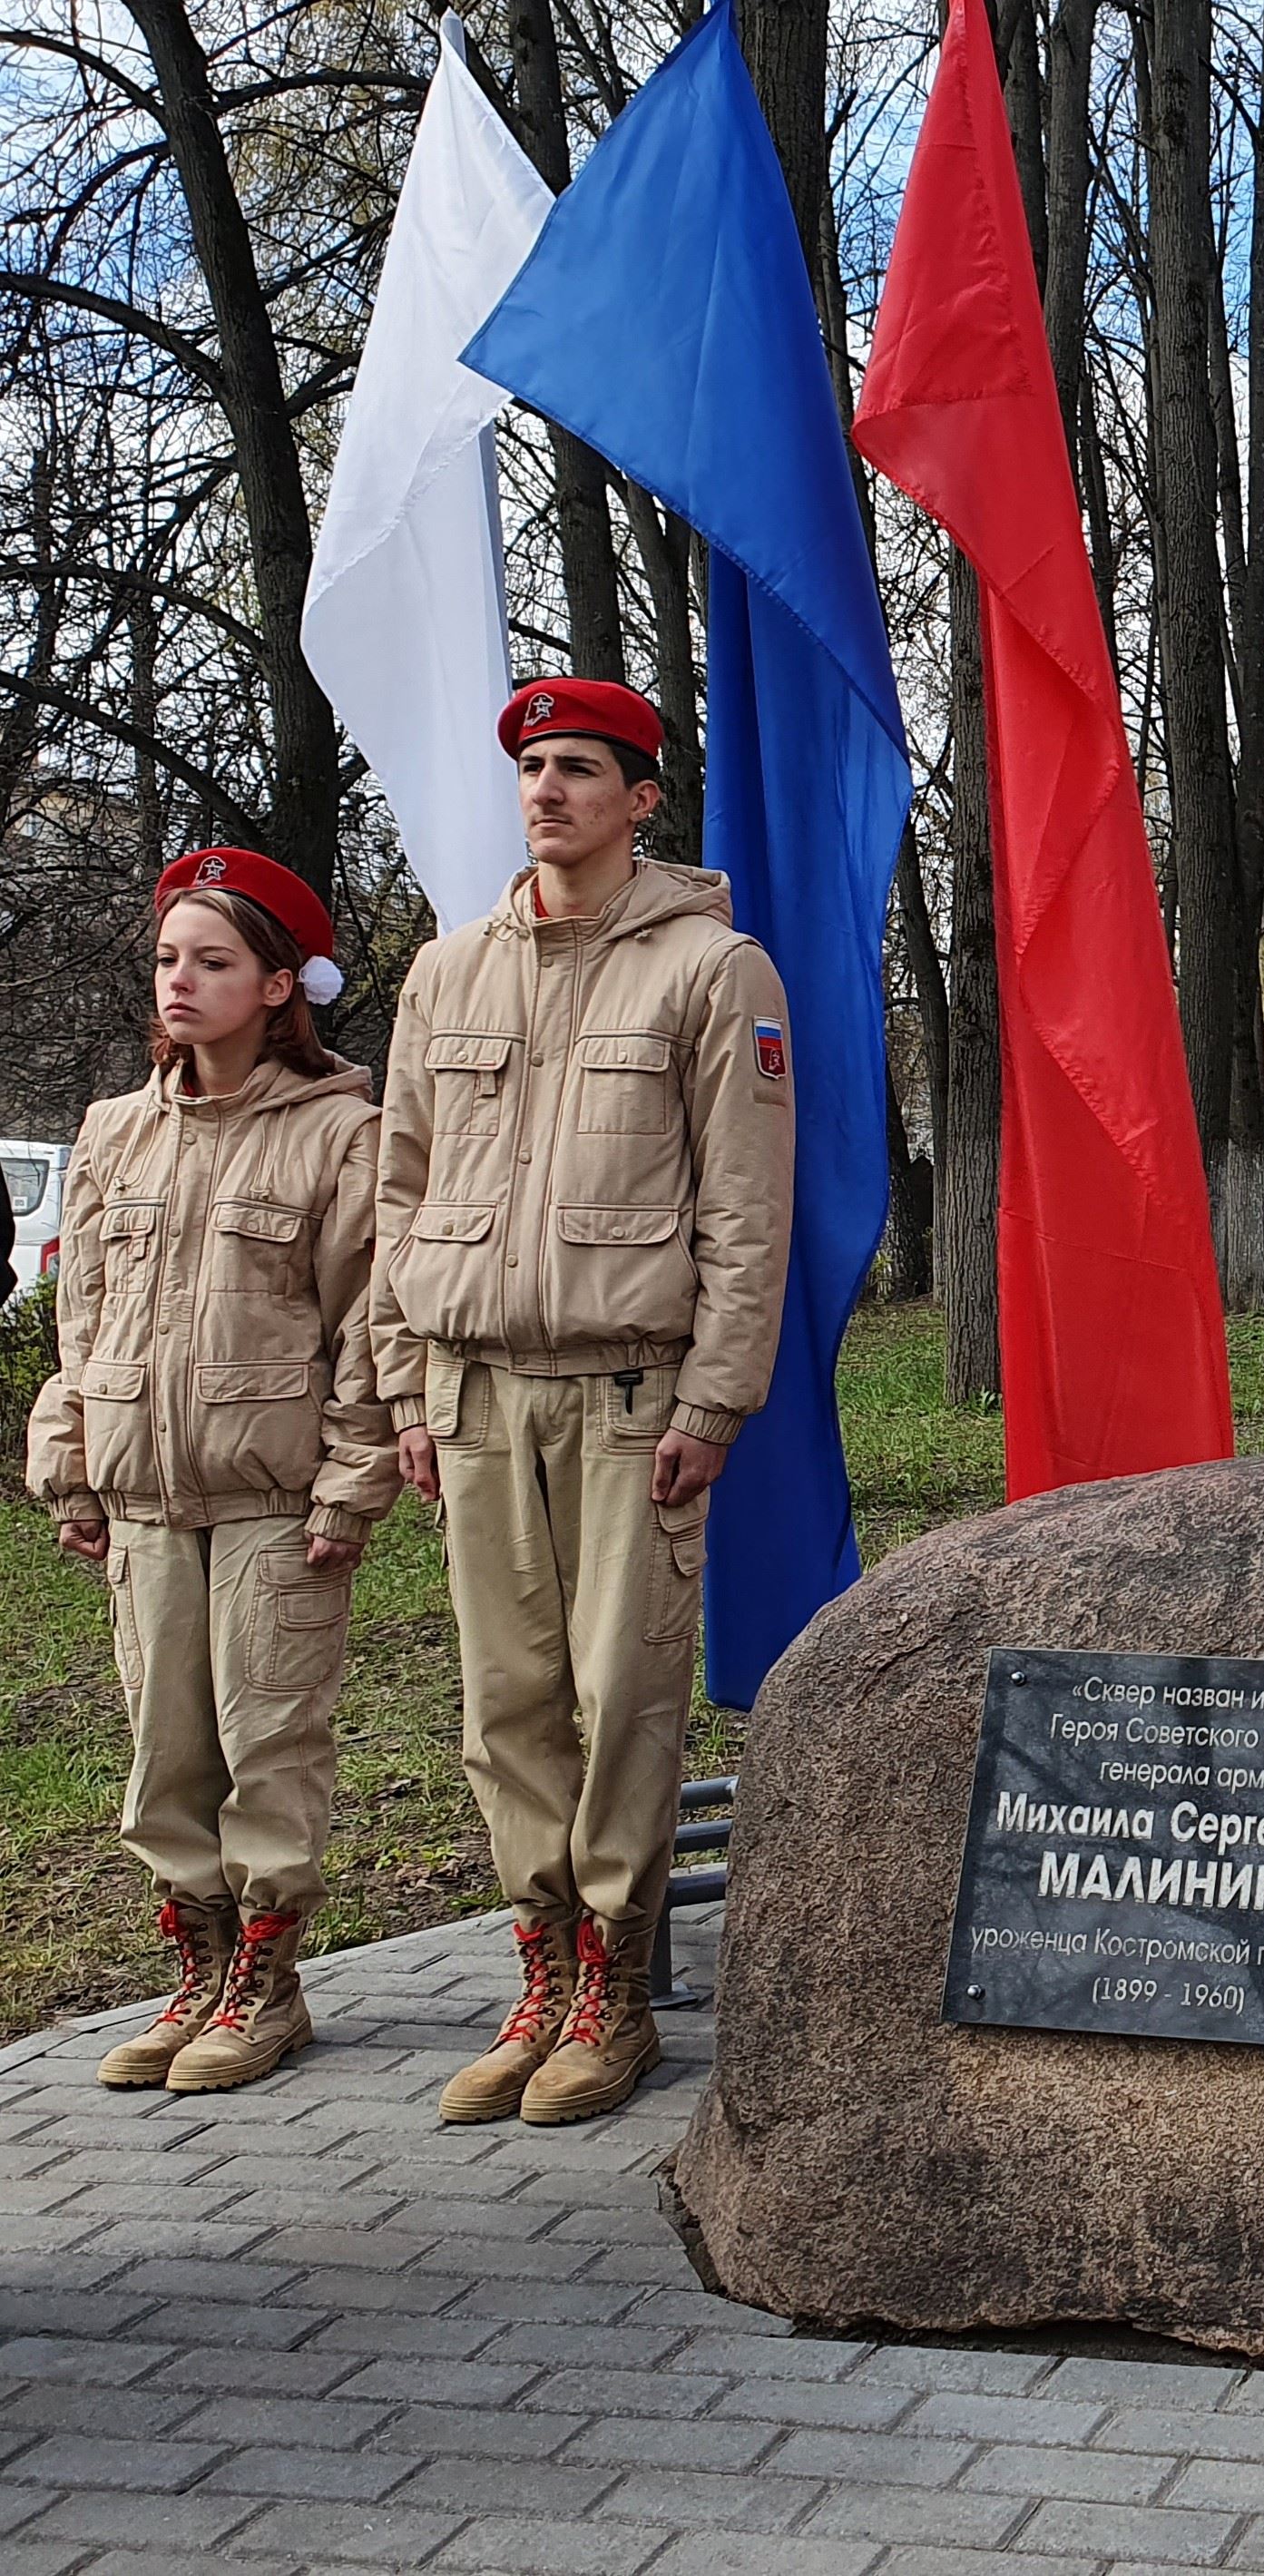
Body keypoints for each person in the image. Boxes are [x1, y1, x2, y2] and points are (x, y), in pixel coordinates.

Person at [375, 677, 793, 2127]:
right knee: (510, 1705)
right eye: (532, 767)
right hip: (477, 1390)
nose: (545, 791)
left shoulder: (712, 970)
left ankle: (615, 1988)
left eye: (576, 769)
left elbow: (748, 1212)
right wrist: (406, 1388)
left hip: (630, 1399)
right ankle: (539, 1968)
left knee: (623, 1698)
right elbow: (403, 1195)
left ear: (640, 799)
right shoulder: (449, 974)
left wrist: (715, 1402)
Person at [26, 848, 397, 2093]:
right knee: (164, 1755)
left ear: (280, 985)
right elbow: (79, 1322)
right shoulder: (113, 1132)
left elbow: (366, 1329)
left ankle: (269, 1983)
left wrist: (351, 1487)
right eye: (171, 959)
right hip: (141, 1492)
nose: (181, 981)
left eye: (214, 961)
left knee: (267, 1744)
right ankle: (196, 1963)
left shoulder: (341, 1135)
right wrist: (73, 1467)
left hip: (270, 1499)